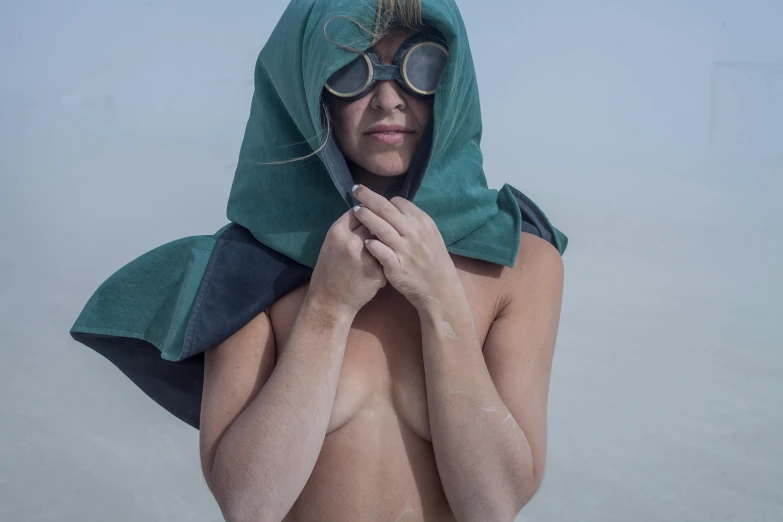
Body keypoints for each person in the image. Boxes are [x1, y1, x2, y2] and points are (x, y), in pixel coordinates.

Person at [70, 0, 567, 521]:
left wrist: (442, 302)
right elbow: (249, 505)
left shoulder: (519, 264)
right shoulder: (255, 265)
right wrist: (328, 307)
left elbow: (494, 505)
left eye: (423, 68)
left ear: (454, 83)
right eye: (351, 69)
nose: (388, 100)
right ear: (311, 92)